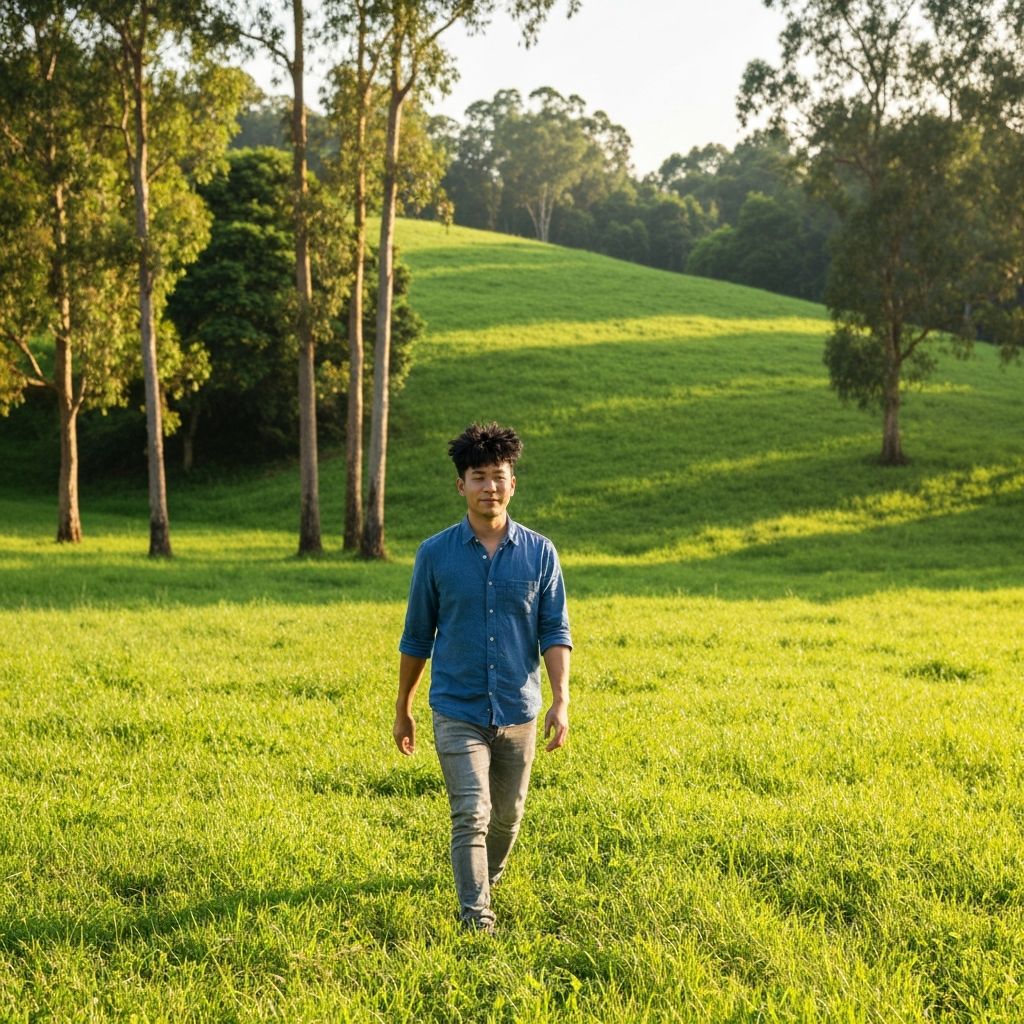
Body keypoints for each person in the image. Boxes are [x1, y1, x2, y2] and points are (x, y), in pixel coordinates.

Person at [394, 421, 572, 934]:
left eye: (498, 476)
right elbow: (415, 637)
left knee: (507, 817)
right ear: (461, 485)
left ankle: (484, 879)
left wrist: (561, 700)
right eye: (478, 476)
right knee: (471, 812)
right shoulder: (434, 554)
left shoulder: (541, 554)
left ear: (513, 484)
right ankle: (477, 916)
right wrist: (403, 707)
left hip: (519, 708)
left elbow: (554, 631)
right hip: (456, 708)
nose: (489, 486)